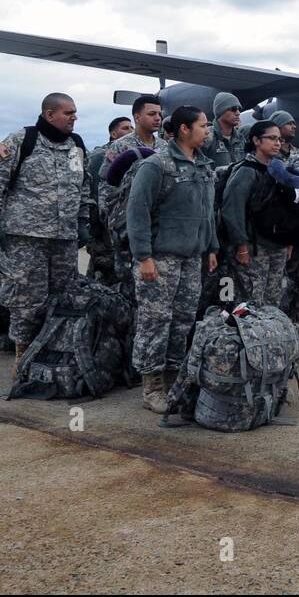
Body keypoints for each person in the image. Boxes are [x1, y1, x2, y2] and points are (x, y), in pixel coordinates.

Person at [0, 93, 92, 373]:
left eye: (75, 113)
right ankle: (22, 357)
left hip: (64, 238)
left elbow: (84, 186)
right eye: (68, 113)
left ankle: (52, 353)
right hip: (24, 237)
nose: (73, 118)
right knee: (25, 299)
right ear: (49, 114)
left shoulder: (76, 146)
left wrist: (82, 220)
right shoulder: (22, 140)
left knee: (63, 297)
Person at [127, 106, 220, 410]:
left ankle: (173, 379)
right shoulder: (157, 166)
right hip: (160, 258)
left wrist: (211, 247)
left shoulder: (203, 166)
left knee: (182, 321)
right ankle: (152, 387)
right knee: (155, 321)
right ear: (184, 129)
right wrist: (144, 257)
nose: (208, 131)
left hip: (192, 257)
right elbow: (137, 212)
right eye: (203, 125)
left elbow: (208, 213)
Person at [221, 120, 293, 308]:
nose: (277, 143)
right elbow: (232, 209)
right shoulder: (246, 171)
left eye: (279, 139)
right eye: (271, 138)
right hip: (254, 247)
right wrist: (241, 245)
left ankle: (269, 336)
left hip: (277, 245)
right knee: (250, 301)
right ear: (256, 141)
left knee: (273, 299)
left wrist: (289, 241)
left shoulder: (280, 170)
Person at [97, 96, 163, 296]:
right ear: (137, 117)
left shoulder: (165, 147)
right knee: (128, 284)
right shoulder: (120, 146)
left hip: (156, 226)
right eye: (152, 114)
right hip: (126, 228)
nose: (158, 118)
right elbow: (106, 185)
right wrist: (112, 222)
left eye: (160, 114)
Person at [85, 116, 133, 283]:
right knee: (101, 267)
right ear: (113, 133)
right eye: (125, 128)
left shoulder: (133, 153)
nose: (130, 131)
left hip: (124, 224)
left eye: (131, 128)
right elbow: (92, 189)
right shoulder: (100, 156)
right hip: (102, 223)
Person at [201, 92, 243, 167]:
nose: (238, 113)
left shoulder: (240, 138)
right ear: (221, 111)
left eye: (239, 109)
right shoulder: (206, 137)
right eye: (233, 109)